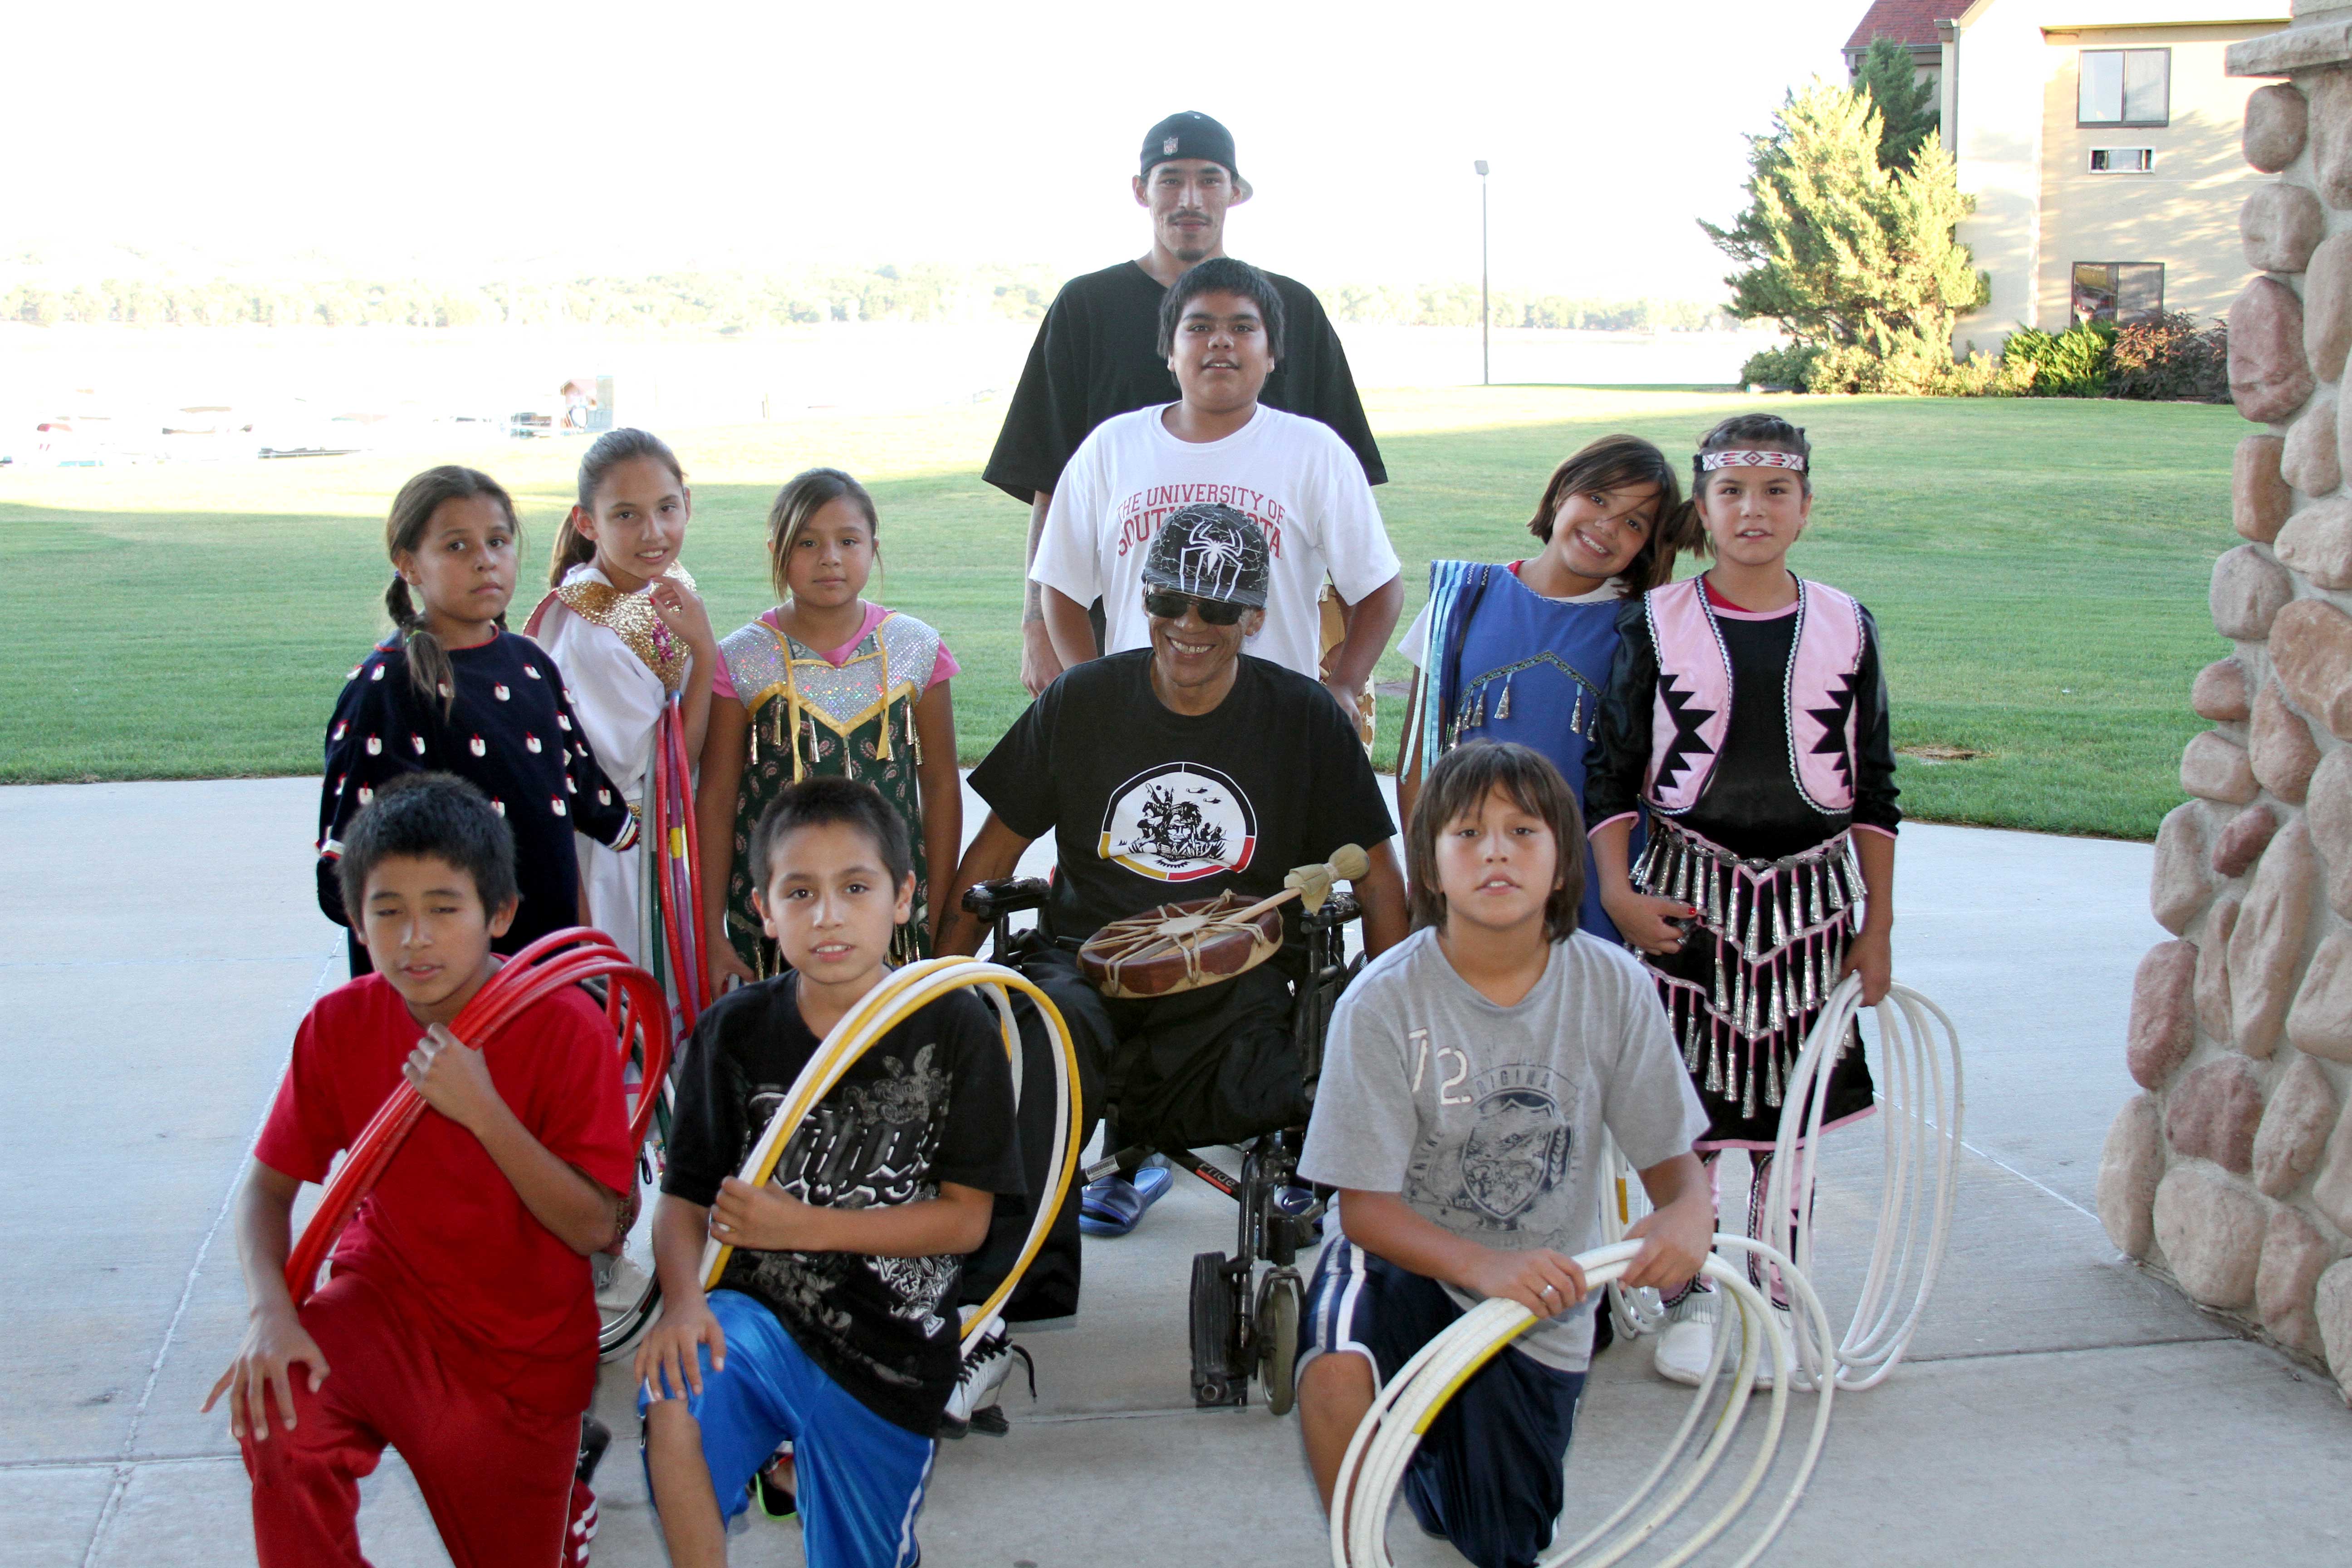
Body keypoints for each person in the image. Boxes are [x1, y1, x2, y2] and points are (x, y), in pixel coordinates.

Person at [941, 505, 1408, 1256]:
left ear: (1254, 615)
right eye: (1166, 598)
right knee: (1041, 1037)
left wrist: (1394, 1027)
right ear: (1141, 599)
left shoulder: (1302, 720)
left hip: (1237, 978)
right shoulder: (1082, 699)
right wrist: (942, 983)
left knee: (1261, 1058)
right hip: (1084, 963)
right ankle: (1007, 1297)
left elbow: (1380, 883)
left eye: (1217, 605)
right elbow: (991, 856)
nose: (1188, 622)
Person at [1293, 740, 1713, 1568]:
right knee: (1336, 1368)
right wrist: (1479, 1268)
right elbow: (1364, 1210)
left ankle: (1427, 1456)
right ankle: (1356, 1545)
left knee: (1491, 1540)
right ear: (1430, 866)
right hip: (1405, 1262)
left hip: (1542, 1299)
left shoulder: (1610, 987)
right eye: (1467, 833)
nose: (1494, 851)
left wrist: (1688, 1215)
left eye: (1522, 832)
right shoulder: (1381, 1002)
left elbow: (1675, 1168)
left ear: (1561, 865)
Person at [208, 774, 636, 1568]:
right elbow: (267, 1190)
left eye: (444, 909)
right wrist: (271, 1310)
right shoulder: (338, 1025)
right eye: (388, 911)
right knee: (280, 1417)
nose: (415, 939)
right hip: (382, 1307)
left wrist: (484, 1110)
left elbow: (600, 1226)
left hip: (519, 1355)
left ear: (498, 914)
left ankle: (563, 1495)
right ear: (355, 920)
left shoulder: (564, 1025)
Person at [1583, 414, 1900, 1387]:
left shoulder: (1848, 624)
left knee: (1788, 1122)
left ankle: (1780, 1292)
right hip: (1686, 899)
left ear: (1806, 508)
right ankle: (1694, 1292)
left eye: (1775, 493)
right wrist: (1620, 894)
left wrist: (1877, 927)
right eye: (1732, 493)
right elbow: (1613, 775)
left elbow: (1877, 787)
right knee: (1690, 1115)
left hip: (1812, 910)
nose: (1753, 511)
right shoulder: (1656, 622)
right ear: (1703, 510)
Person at [635, 776, 1024, 1568]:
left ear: (904, 896)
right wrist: (679, 1303)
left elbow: (964, 1221)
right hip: (760, 1320)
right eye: (799, 892)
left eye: (855, 888)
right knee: (677, 1397)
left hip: (891, 1353)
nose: (828, 916)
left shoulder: (954, 1026)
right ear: (762, 909)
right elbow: (682, 1199)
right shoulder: (734, 1030)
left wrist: (800, 1225)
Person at [985, 110, 1387, 698]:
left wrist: (1345, 674)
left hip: (1269, 641)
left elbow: (1344, 502)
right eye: (1170, 179)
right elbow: (1052, 480)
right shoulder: (1087, 307)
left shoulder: (1290, 311)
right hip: (1119, 623)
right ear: (1141, 190)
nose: (1189, 198)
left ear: (1237, 192)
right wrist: (1035, 623)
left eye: (1209, 179)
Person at [1028, 255, 1402, 721]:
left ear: (1271, 355)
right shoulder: (1111, 447)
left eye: (1244, 328)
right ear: (1170, 350)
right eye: (1199, 327)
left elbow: (1379, 588)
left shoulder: (1315, 452)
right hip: (1139, 717)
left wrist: (1344, 685)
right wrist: (1095, 687)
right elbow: (1061, 587)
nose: (1221, 340)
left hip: (1272, 720)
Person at [318, 465, 639, 977]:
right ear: (410, 565)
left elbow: (565, 814)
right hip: (438, 983)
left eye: (497, 541)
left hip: (546, 970)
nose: (486, 561)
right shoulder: (387, 688)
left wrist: (584, 954)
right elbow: (351, 870)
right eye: (457, 547)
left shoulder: (532, 666)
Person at [1396, 434, 1688, 942]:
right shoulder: (1461, 598)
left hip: (1595, 885)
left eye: (1634, 523)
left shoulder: (1648, 629)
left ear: (1650, 545)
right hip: (1473, 870)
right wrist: (1427, 868)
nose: (1606, 527)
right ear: (1561, 492)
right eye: (1598, 499)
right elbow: (1417, 760)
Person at [695, 468, 961, 988]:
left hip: (889, 911)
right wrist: (711, 930)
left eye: (847, 541)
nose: (830, 558)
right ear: (776, 551)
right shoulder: (742, 657)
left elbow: (941, 784)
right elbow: (718, 794)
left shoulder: (916, 648)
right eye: (807, 543)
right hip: (781, 917)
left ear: (873, 547)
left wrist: (940, 906)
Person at [526, 427, 720, 966]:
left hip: (657, 838)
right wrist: (705, 653)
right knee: (639, 996)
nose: (653, 532)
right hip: (622, 852)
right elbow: (672, 761)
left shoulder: (656, 583)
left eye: (666, 508)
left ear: (688, 505)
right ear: (587, 523)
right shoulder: (589, 635)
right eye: (626, 515)